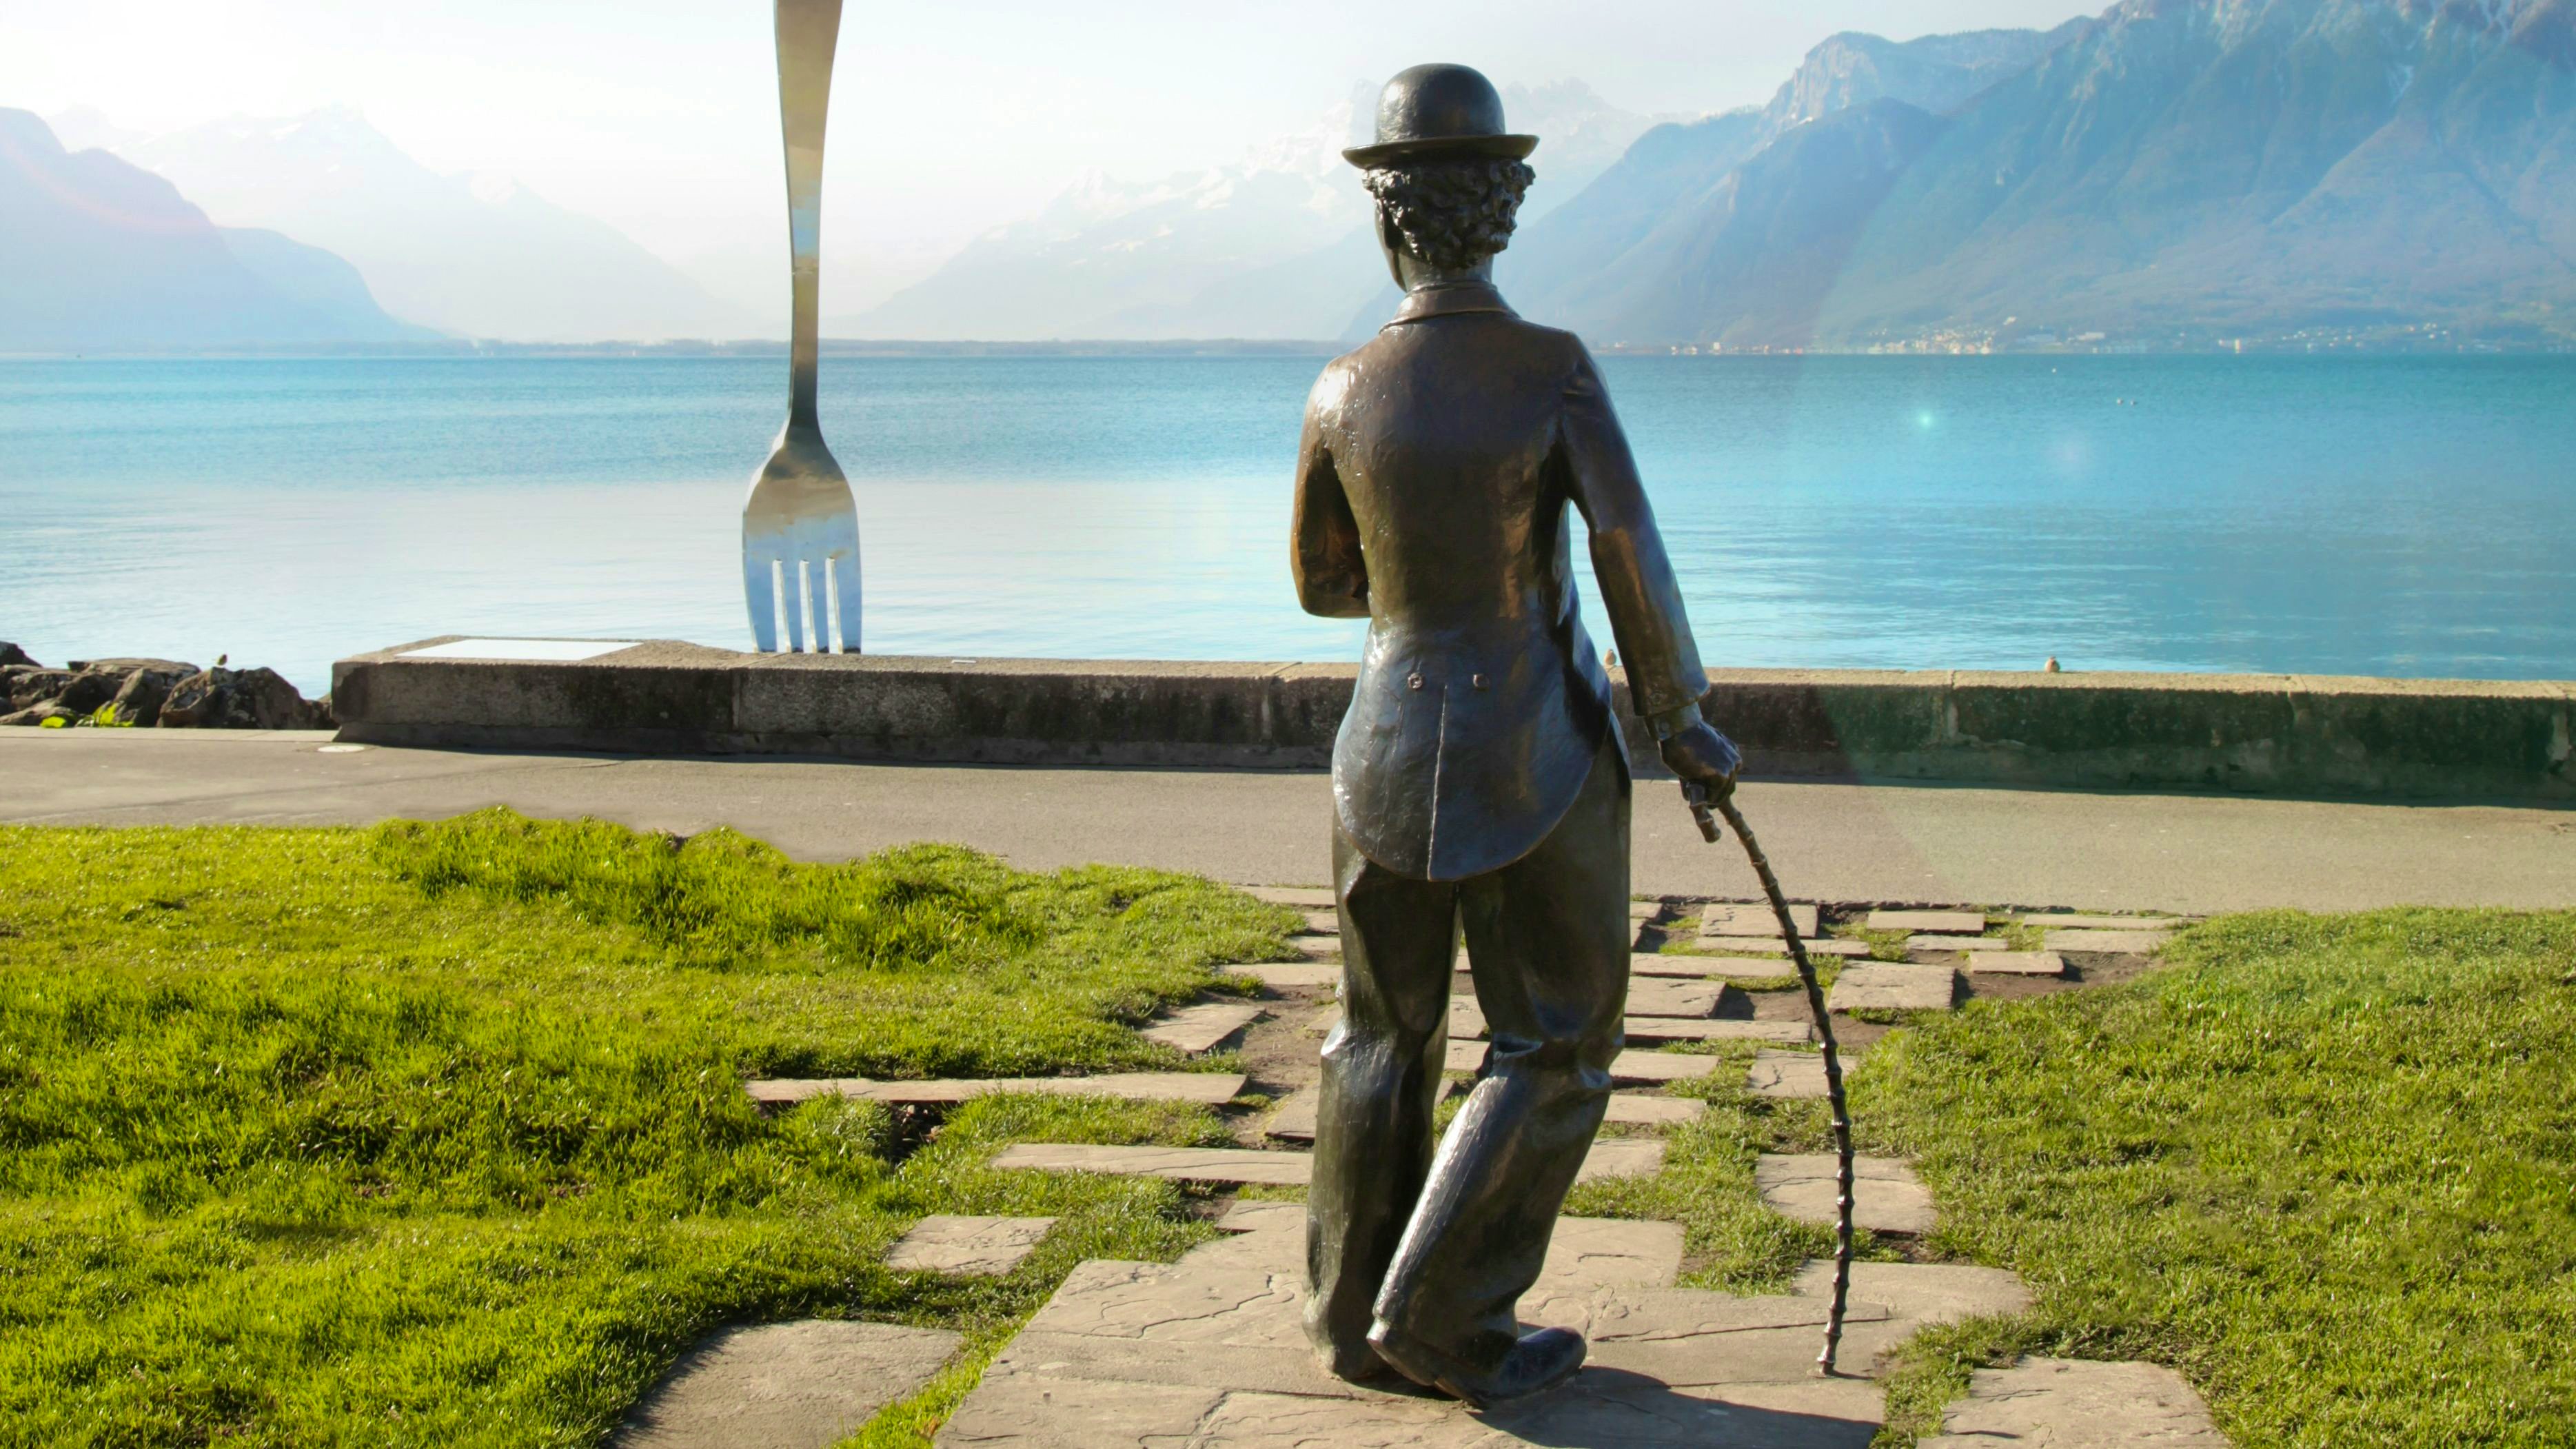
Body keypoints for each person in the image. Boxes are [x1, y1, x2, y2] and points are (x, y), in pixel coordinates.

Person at [1289, 62, 1745, 1406]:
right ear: (1501, 212)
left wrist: (1421, 586)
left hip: (1381, 743)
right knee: (1553, 1039)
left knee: (1378, 1034)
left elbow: (1321, 582)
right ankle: (1442, 1314)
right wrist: (1680, 716)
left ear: (1389, 216)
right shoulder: (1553, 369)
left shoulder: (1341, 387)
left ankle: (1347, 1314)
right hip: (1533, 746)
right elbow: (1622, 542)